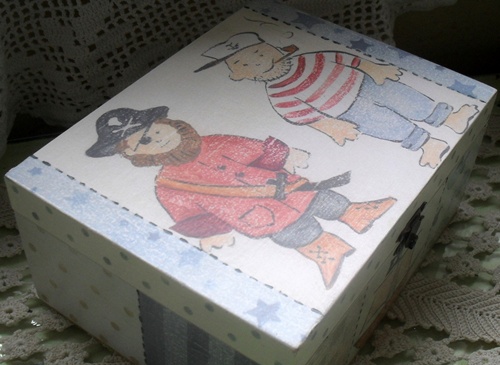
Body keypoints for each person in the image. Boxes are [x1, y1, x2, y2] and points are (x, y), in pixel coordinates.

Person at [86, 106, 396, 289]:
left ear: (167, 124)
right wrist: (211, 234)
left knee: (322, 200)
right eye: (143, 142)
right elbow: (188, 213)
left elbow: (253, 149)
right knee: (296, 232)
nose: (156, 139)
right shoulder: (169, 184)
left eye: (154, 130)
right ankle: (328, 251)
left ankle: (355, 213)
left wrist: (286, 155)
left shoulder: (213, 142)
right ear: (134, 155)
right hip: (260, 217)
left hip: (287, 187)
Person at [195, 32, 478, 168]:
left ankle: (449, 118)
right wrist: (331, 126)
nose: (257, 61)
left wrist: (373, 67)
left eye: (258, 53)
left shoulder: (307, 59)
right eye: (245, 63)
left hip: (365, 82)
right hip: (349, 111)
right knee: (387, 126)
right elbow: (301, 115)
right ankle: (428, 144)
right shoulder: (278, 93)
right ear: (239, 75)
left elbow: (341, 57)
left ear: (273, 48)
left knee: (408, 99)